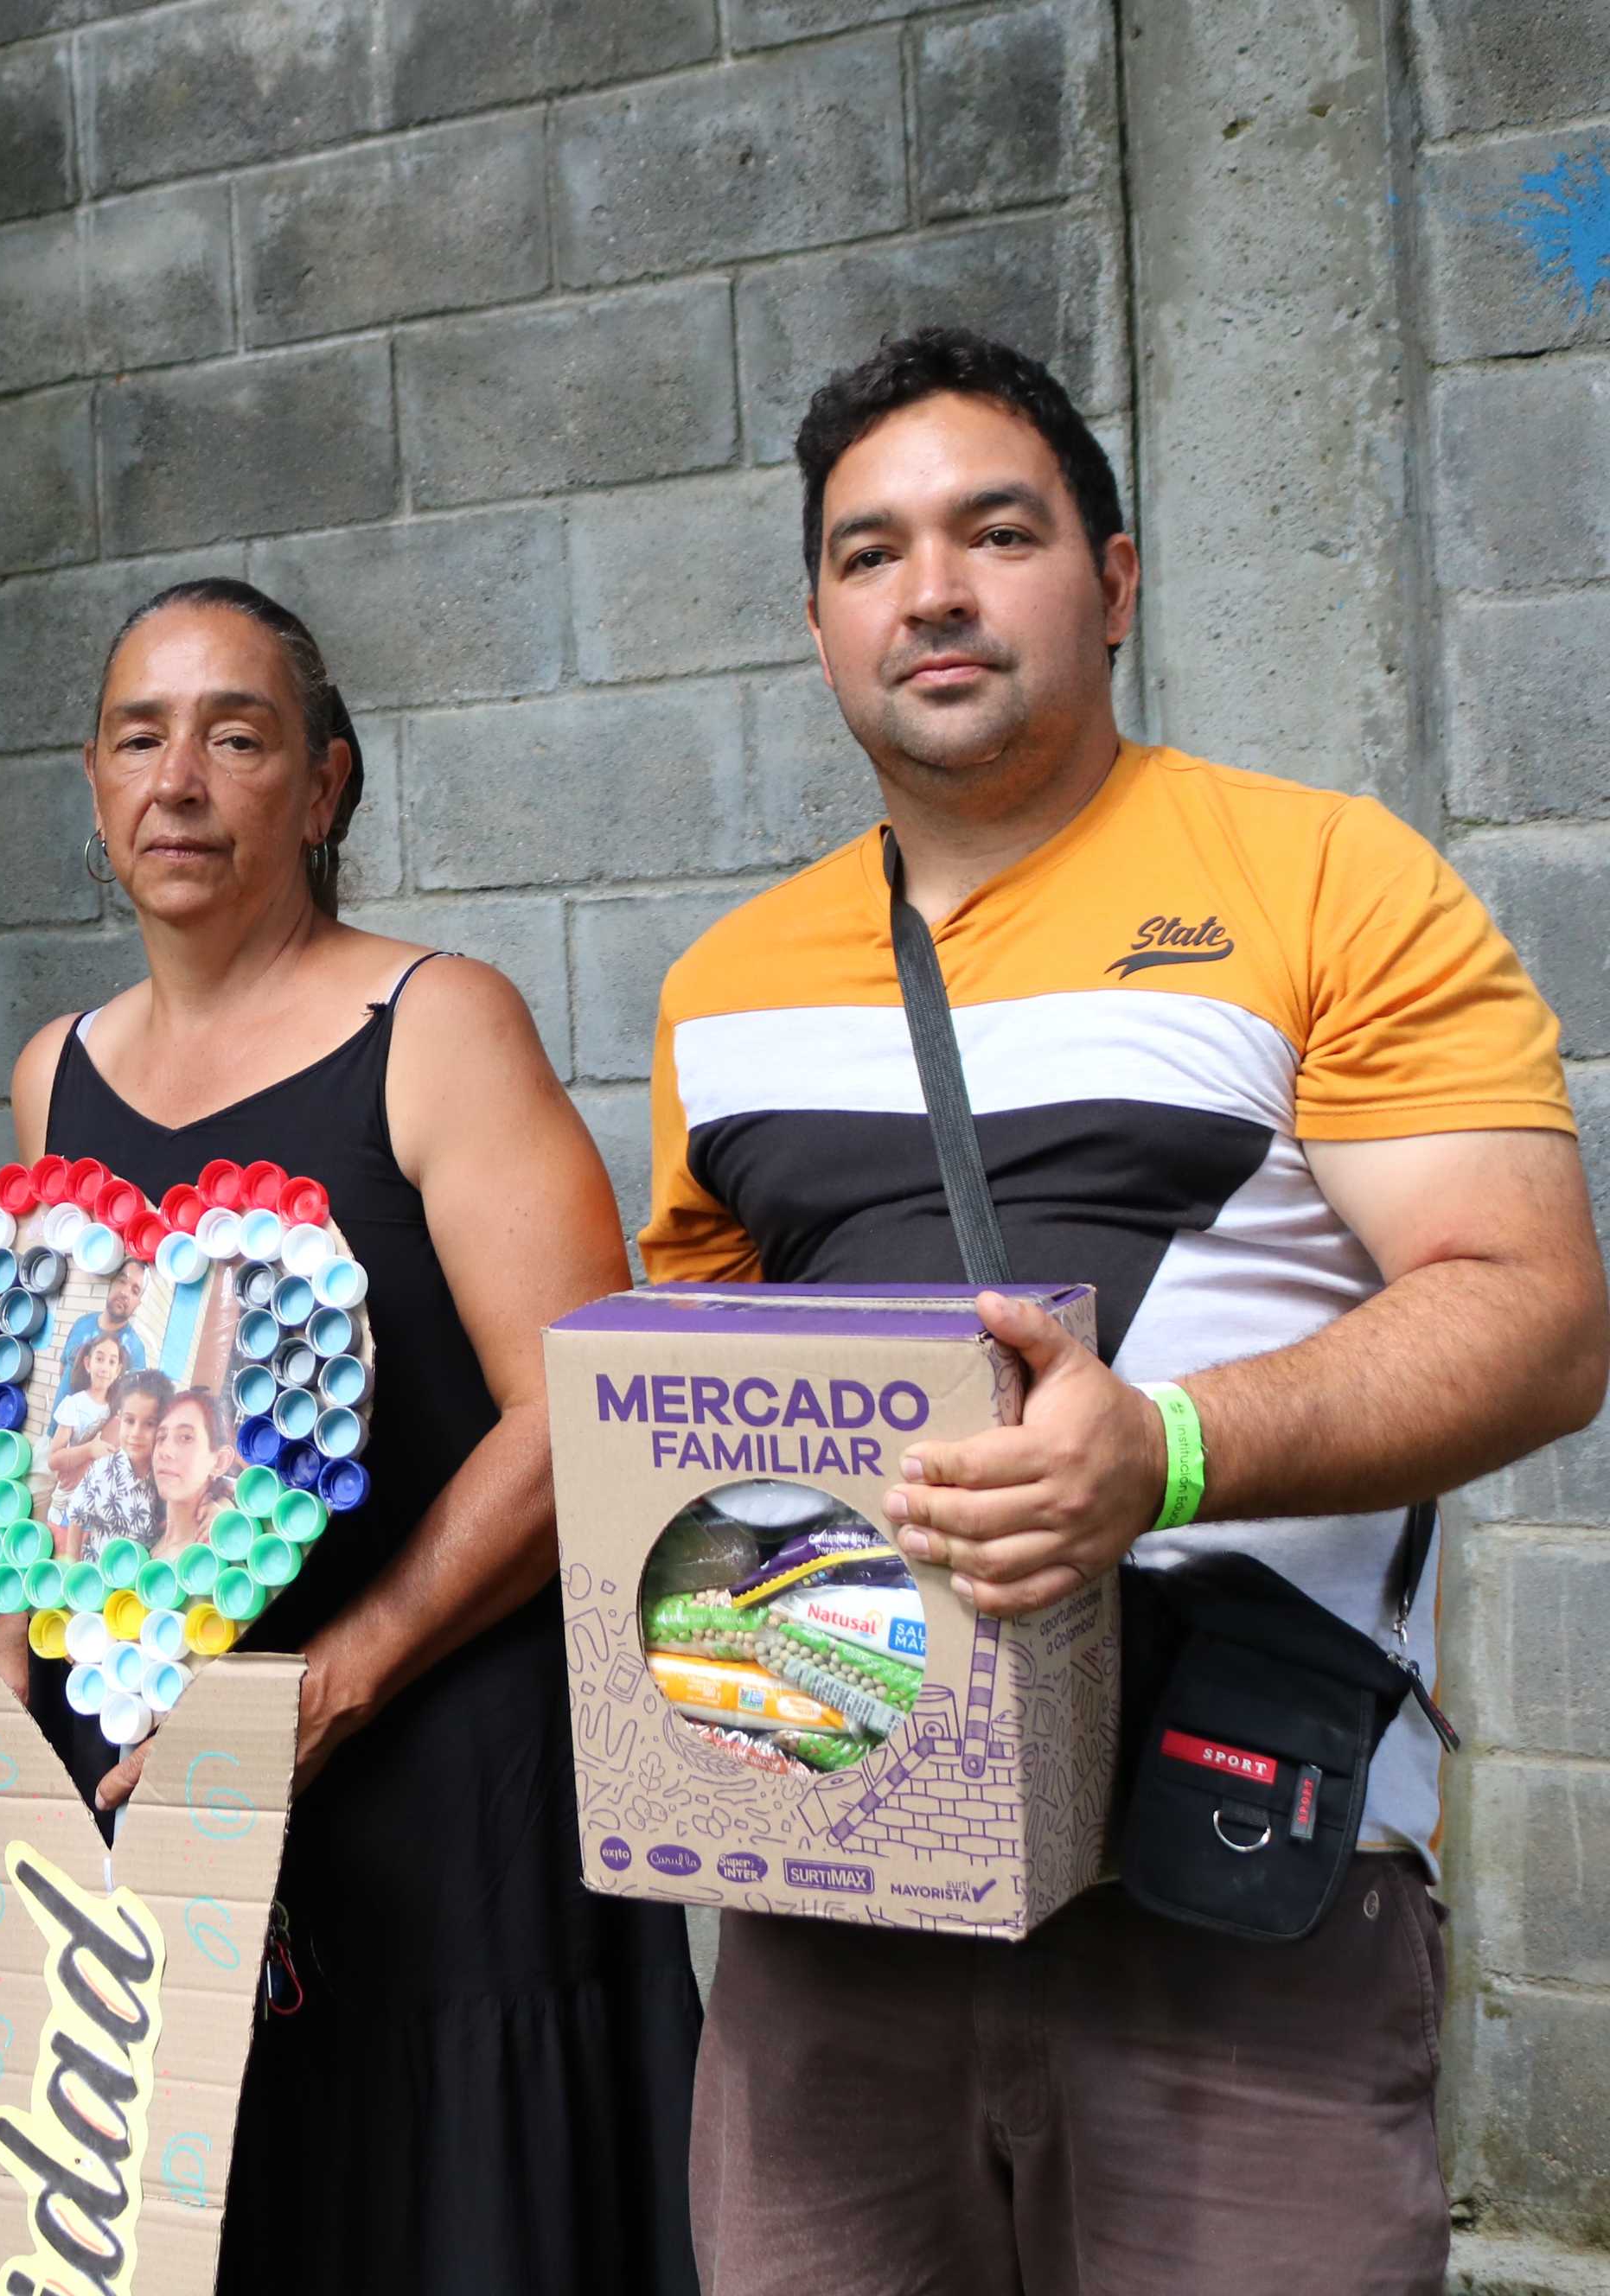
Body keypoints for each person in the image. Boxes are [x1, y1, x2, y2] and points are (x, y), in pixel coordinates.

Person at [643, 328, 1607, 2295]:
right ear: (817, 624)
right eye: (867, 552)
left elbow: (1533, 1311)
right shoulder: (722, 987)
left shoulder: (1326, 878)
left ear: (1113, 580)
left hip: (1234, 1882)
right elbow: (701, 1417)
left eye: (995, 533)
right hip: (835, 1902)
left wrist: (1159, 1450)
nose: (929, 590)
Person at [0, 577, 703, 2292]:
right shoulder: (59, 1069)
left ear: (323, 784)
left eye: (236, 736)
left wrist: (336, 1679)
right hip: (162, 1775)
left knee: (444, 2218)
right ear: (92, 783)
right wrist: (20, 1626)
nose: (178, 781)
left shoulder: (435, 1024)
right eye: (138, 738)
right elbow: (102, 1433)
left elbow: (581, 1408)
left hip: (433, 1752)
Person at [50, 1367, 173, 1551]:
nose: (135, 1433)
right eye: (129, 1421)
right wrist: (72, 1562)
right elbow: (77, 1518)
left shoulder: (167, 1478)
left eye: (149, 1424)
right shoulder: (102, 1469)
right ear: (120, 1418)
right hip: (94, 1566)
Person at [146, 1387, 234, 1553]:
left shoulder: (226, 1550)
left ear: (220, 1461)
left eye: (186, 1438)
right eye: (161, 1437)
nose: (165, 1451)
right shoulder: (144, 1541)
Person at [54, 1257, 151, 1389]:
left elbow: (132, 1398)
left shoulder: (136, 1349)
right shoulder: (81, 1324)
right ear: (112, 1282)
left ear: (138, 1303)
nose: (124, 1292)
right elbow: (63, 1367)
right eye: (122, 1281)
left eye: (135, 1291)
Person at [50, 1329, 130, 1441]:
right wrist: (89, 1449)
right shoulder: (73, 1404)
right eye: (99, 1359)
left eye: (112, 1362)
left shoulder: (118, 1409)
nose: (105, 1368)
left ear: (117, 1370)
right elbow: (55, 1453)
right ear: (88, 1364)